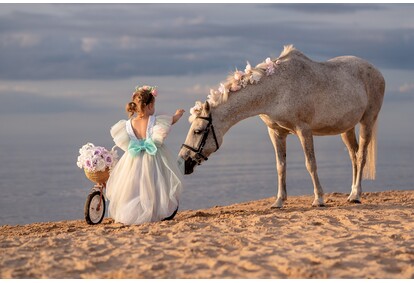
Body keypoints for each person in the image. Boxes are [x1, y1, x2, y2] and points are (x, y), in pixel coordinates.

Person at [105, 85, 185, 225]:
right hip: (153, 155)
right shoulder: (155, 120)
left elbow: (125, 141)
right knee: (156, 183)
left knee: (133, 186)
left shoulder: (128, 124)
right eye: (153, 105)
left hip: (132, 158)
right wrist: (178, 114)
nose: (154, 108)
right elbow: (171, 120)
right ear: (148, 106)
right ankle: (155, 210)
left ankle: (131, 213)